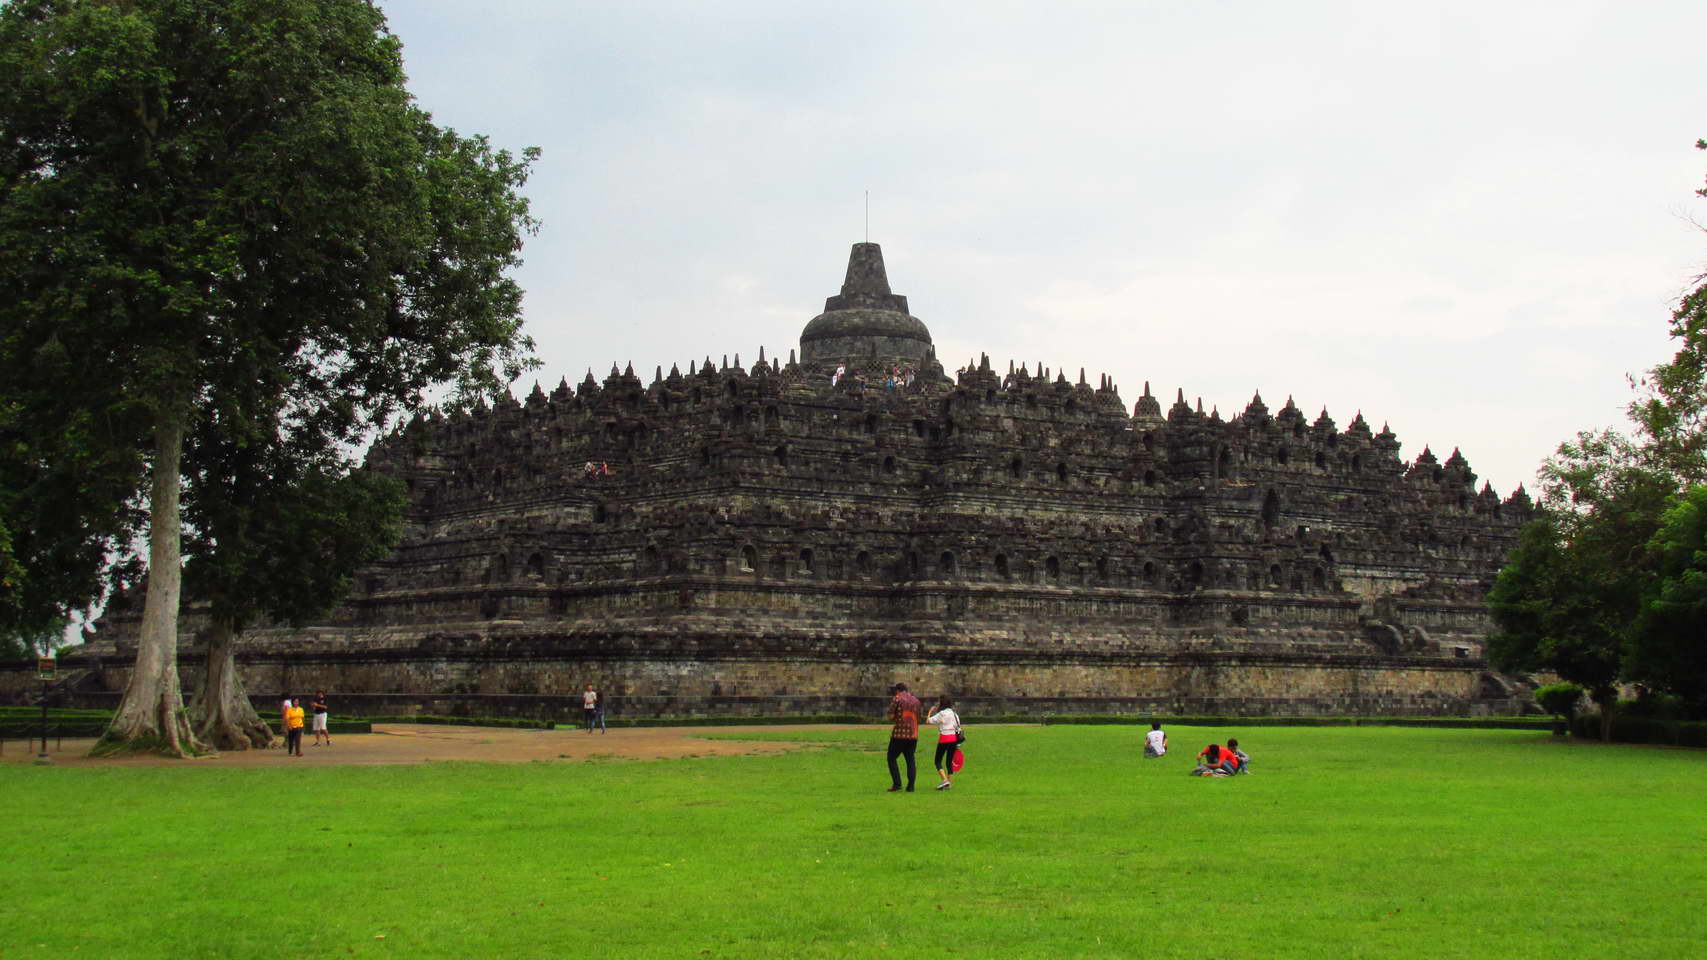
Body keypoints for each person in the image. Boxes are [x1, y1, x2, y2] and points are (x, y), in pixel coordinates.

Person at [885, 682, 922, 792]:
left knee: (891, 757)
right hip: (913, 734)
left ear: (897, 690)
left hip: (899, 734)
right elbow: (919, 716)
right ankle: (911, 786)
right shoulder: (916, 701)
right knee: (910, 759)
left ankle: (897, 783)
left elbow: (891, 715)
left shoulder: (897, 698)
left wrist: (896, 718)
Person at [926, 696, 962, 790]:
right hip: (953, 739)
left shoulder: (941, 714)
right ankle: (949, 784)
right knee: (949, 762)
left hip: (944, 738)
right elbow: (958, 727)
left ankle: (944, 780)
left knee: (937, 761)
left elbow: (928, 721)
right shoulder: (954, 714)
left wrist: (930, 711)